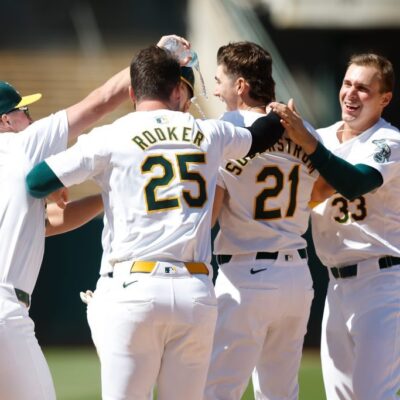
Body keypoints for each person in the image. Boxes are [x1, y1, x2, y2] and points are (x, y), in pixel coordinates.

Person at [26, 44, 285, 400]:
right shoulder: (208, 132)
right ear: (178, 90)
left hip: (133, 289)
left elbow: (37, 180)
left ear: (132, 92)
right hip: (195, 290)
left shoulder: (111, 135)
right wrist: (277, 112)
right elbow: (263, 135)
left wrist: (57, 188)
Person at [270, 53, 400, 400]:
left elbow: (356, 182)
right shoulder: (322, 137)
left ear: (384, 99)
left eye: (363, 89)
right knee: (340, 396)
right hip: (337, 285)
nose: (350, 94)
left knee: (375, 394)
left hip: (384, 283)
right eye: (346, 84)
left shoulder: (390, 141)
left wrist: (308, 143)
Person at [0, 59, 131, 399]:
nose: (30, 118)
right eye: (22, 112)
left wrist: (107, 196)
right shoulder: (21, 144)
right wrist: (156, 57)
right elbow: (100, 101)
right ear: (5, 120)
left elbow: (44, 224)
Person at [204, 41, 317, 400]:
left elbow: (211, 213)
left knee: (217, 391)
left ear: (241, 86)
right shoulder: (304, 130)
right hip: (297, 276)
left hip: (245, 278)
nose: (217, 89)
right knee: (280, 393)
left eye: (220, 80)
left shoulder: (229, 130)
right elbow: (325, 186)